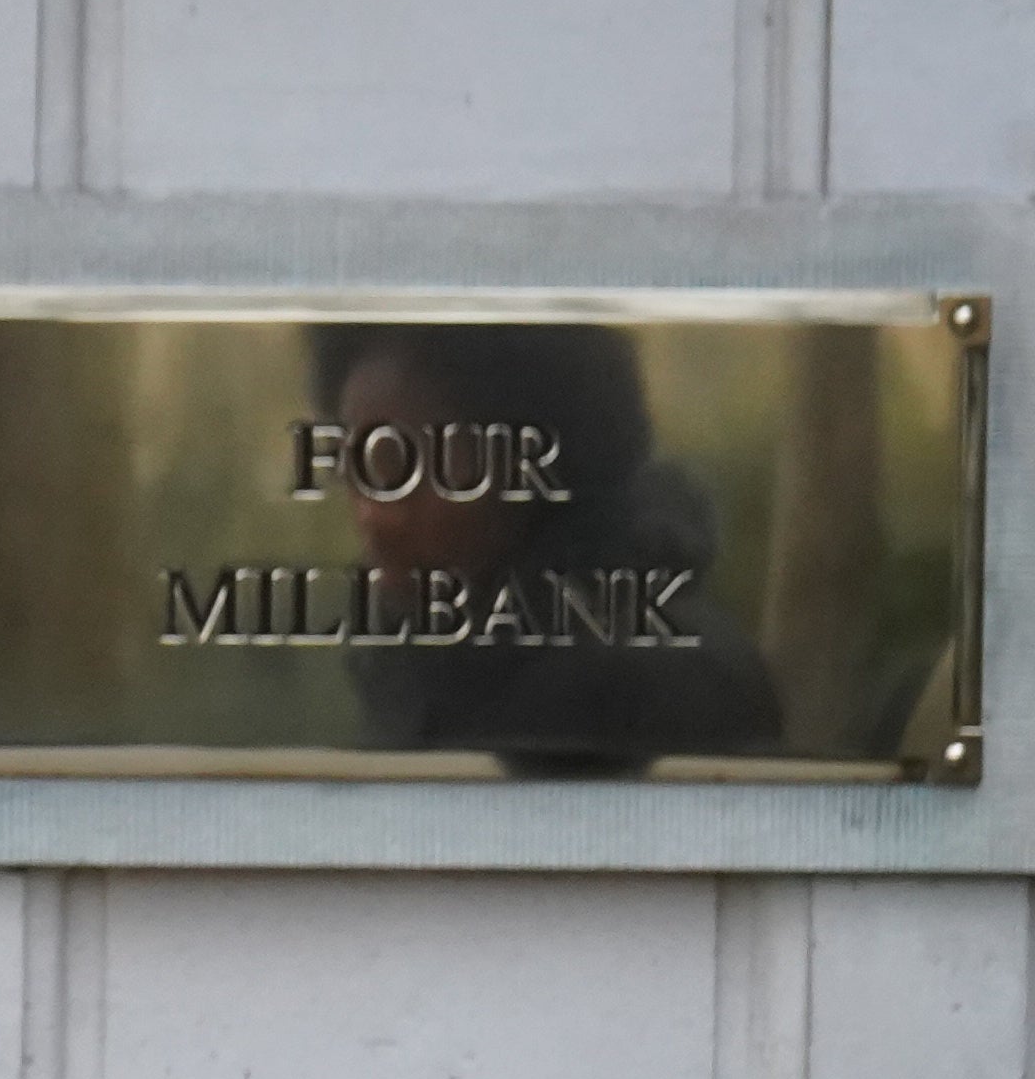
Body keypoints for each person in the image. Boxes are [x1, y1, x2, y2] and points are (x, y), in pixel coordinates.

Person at [315, 321, 786, 776]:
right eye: (357, 470)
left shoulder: (660, 685)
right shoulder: (424, 664)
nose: (371, 515)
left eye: (411, 468)